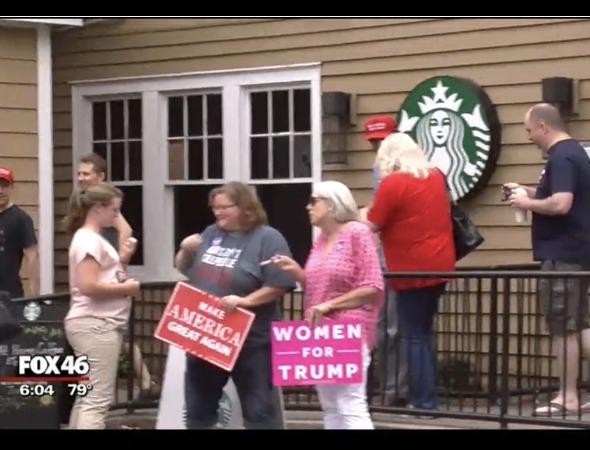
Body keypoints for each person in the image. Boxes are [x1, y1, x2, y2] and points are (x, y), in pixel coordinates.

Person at [507, 103, 590, 415]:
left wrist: (527, 203)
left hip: (563, 256)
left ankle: (567, 396)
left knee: (563, 327)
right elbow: (557, 195)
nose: (529, 136)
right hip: (577, 253)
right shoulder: (573, 154)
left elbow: (560, 204)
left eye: (529, 130)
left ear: (543, 126)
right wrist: (526, 191)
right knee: (578, 322)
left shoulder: (562, 157)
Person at [174, 181, 296, 429]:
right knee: (198, 410)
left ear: (244, 207)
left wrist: (245, 301)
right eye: (214, 208)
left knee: (259, 411)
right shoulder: (210, 233)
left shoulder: (267, 238)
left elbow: (281, 282)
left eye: (223, 207)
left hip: (251, 342)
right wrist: (185, 251)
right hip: (206, 337)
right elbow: (183, 267)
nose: (217, 212)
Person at [270, 180, 383, 429]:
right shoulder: (321, 240)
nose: (307, 206)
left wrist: (329, 305)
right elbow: (318, 289)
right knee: (330, 405)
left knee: (350, 403)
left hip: (349, 328)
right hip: (321, 329)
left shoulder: (357, 232)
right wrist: (297, 272)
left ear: (332, 204)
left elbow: (372, 286)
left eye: (314, 201)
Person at [363, 132, 455, 412]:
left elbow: (374, 222)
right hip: (441, 264)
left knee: (413, 334)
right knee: (424, 331)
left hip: (409, 267)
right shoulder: (436, 176)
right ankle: (425, 396)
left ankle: (424, 401)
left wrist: (359, 216)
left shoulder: (394, 182)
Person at [76, 153, 159, 400]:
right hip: (90, 269)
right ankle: (144, 381)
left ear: (101, 176)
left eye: (86, 173)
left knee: (116, 331)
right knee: (115, 334)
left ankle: (143, 382)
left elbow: (126, 229)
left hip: (105, 272)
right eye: (79, 173)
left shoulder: (106, 200)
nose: (81, 178)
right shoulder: (83, 201)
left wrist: (120, 263)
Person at [63, 183, 141, 429]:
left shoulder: (90, 239)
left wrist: (123, 261)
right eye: (115, 211)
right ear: (98, 207)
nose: (116, 216)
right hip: (96, 324)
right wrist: (127, 289)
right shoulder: (89, 240)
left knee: (87, 396)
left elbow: (103, 278)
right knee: (97, 399)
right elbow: (88, 286)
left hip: (90, 323)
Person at [363, 115, 409, 407]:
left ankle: (396, 390)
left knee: (395, 328)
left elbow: (381, 217)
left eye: (382, 139)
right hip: (379, 260)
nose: (378, 145)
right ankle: (388, 387)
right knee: (382, 327)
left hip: (395, 260)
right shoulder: (378, 168)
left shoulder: (398, 172)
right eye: (374, 142)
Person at [0, 167, 39, 298]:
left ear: (12, 187)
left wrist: (34, 296)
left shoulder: (21, 218)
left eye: (4, 186)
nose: (0, 191)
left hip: (9, 295)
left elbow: (31, 257)